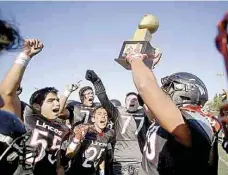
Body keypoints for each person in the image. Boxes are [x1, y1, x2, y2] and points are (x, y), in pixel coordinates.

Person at [125, 51, 215, 175]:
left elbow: (145, 86)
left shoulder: (193, 120)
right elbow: (148, 97)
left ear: (184, 92)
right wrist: (148, 66)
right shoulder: (169, 118)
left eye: (168, 87)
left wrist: (135, 58)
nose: (164, 91)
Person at [85, 70, 150, 175]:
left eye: (135, 99)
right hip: (121, 160)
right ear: (124, 103)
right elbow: (104, 100)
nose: (132, 101)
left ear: (140, 103)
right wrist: (97, 82)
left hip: (141, 160)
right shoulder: (118, 112)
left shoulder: (146, 113)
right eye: (129, 99)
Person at [24, 87, 71, 175]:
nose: (57, 103)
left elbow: (58, 150)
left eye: (57, 100)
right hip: (26, 170)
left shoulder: (63, 128)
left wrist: (59, 166)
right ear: (37, 106)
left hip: (49, 170)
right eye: (50, 100)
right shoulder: (31, 116)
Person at [66, 106, 114, 175]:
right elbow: (69, 155)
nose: (103, 116)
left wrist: (102, 172)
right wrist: (77, 139)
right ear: (93, 119)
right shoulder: (85, 130)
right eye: (99, 114)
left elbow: (101, 154)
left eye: (105, 114)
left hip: (92, 172)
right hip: (76, 171)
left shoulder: (109, 133)